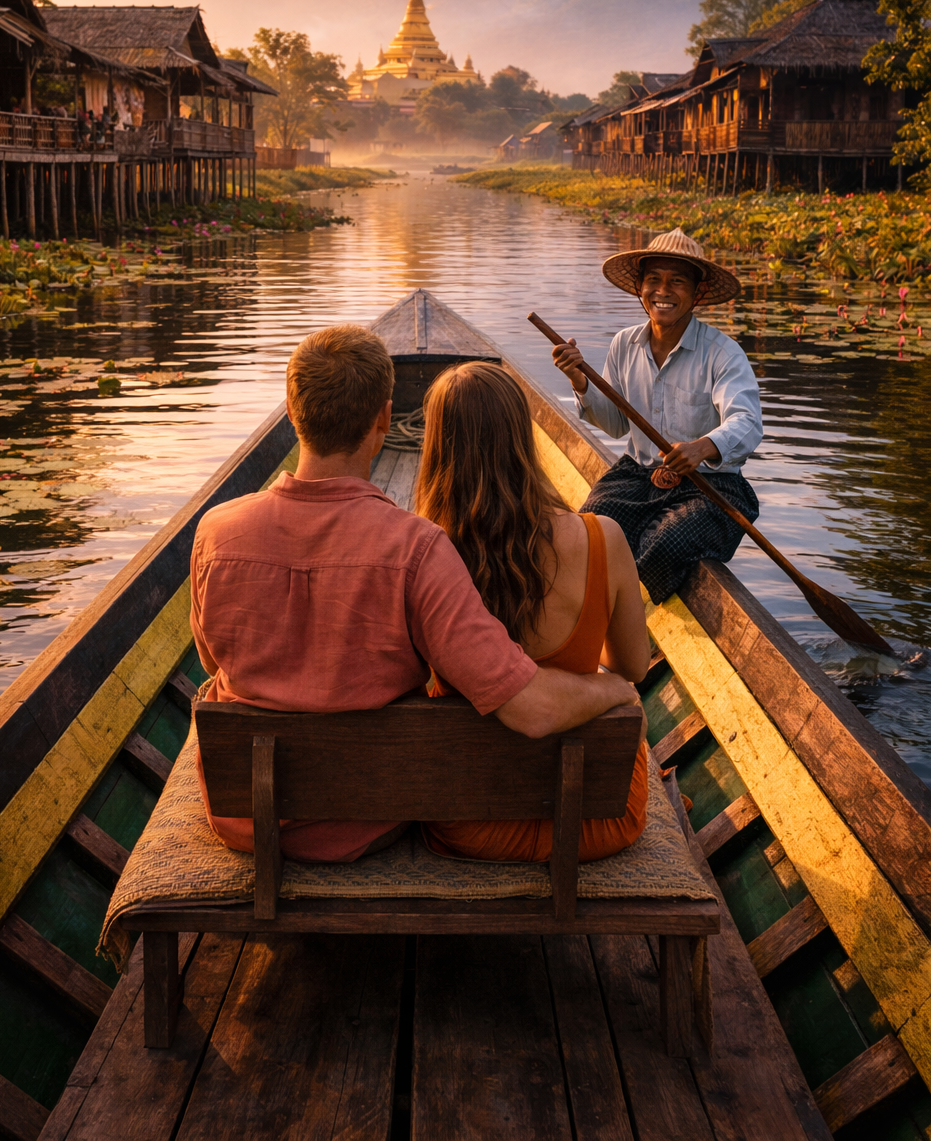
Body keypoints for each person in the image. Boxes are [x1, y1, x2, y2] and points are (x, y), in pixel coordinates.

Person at [190, 325, 640, 862]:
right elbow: (529, 708)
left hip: (243, 818)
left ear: (292, 410)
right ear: (384, 418)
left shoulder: (214, 534)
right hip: (365, 820)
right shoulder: (416, 550)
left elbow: (214, 659)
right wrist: (615, 690)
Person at [415, 362, 650, 863]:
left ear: (436, 445)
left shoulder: (419, 554)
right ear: (524, 437)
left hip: (465, 820)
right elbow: (632, 667)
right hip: (595, 819)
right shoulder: (602, 537)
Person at [552, 226, 763, 607]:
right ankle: (604, 614)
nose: (663, 292)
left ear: (697, 293)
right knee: (589, 532)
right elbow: (617, 425)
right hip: (639, 476)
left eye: (677, 282)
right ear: (640, 287)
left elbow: (747, 422)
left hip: (709, 486)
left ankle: (633, 622)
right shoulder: (624, 344)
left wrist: (704, 447)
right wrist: (579, 381)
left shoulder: (723, 354)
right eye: (654, 280)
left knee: (664, 542)